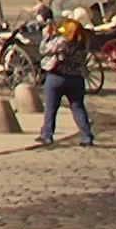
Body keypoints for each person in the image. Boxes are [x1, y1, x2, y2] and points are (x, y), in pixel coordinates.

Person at [35, 18, 95, 147]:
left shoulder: (62, 41)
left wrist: (47, 36)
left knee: (51, 107)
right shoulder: (83, 43)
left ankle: (47, 135)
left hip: (57, 77)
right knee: (78, 107)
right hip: (76, 78)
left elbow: (43, 50)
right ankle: (86, 136)